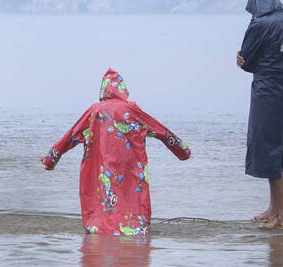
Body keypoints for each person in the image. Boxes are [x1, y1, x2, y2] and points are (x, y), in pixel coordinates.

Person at [41, 68, 191, 235]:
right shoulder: (132, 110)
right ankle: (134, 229)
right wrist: (183, 151)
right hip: (130, 171)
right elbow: (161, 130)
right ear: (123, 90)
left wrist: (50, 160)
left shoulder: (94, 111)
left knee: (101, 201)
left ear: (103, 90)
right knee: (132, 198)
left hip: (100, 171)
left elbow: (70, 136)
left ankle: (99, 229)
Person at [236, 0, 283, 230]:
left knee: (267, 148)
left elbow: (248, 60)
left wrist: (240, 60)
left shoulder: (259, 24)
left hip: (266, 90)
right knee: (275, 146)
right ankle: (274, 209)